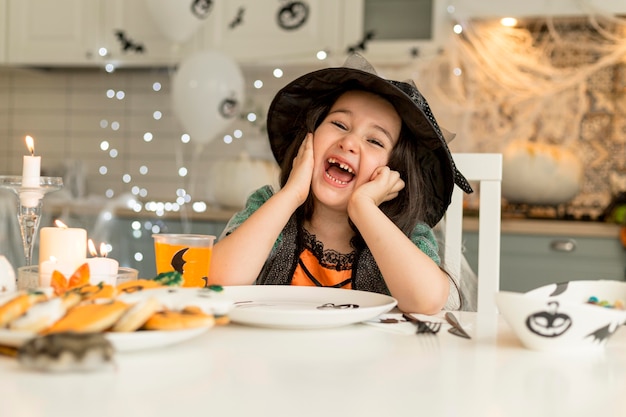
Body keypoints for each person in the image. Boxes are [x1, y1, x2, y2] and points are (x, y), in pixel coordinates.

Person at [208, 54, 473, 314]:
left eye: (375, 141)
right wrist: (291, 193)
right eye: (339, 124)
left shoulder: (404, 234)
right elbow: (216, 280)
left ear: (394, 173)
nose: (349, 143)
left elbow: (426, 301)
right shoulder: (270, 209)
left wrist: (364, 207)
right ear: (307, 139)